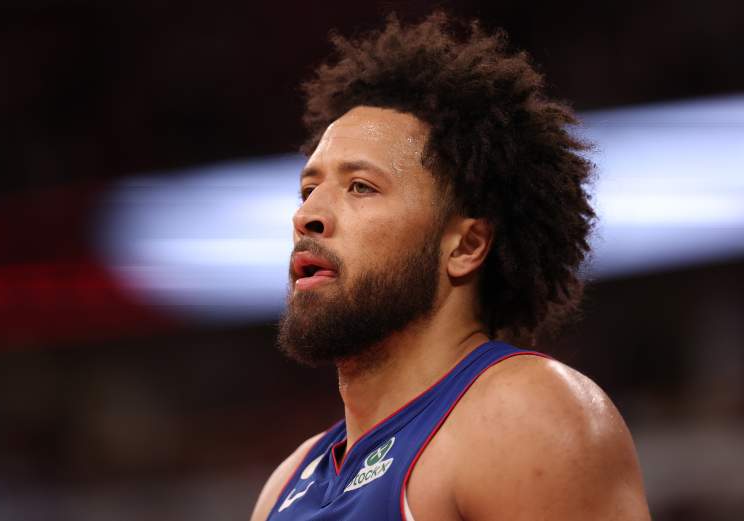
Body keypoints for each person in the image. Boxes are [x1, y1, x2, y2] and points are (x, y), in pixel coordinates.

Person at [251, 12, 651, 521]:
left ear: (465, 246)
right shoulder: (286, 485)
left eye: (361, 188)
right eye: (309, 189)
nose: (307, 215)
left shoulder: (523, 413)